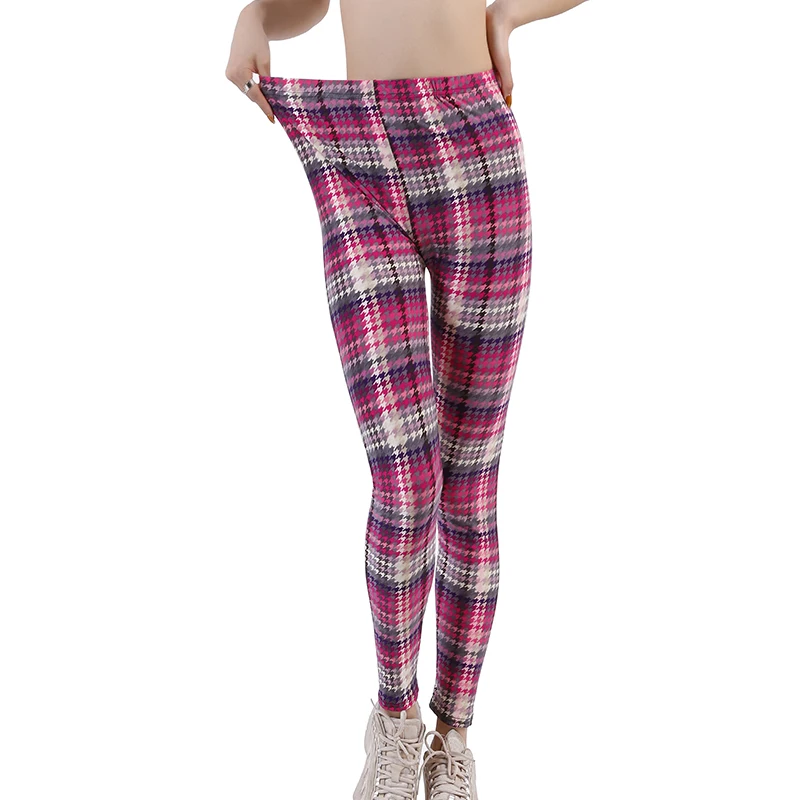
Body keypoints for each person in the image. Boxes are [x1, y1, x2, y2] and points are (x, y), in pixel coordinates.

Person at [225, 0, 588, 797]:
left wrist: (508, 16)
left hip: (477, 146)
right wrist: (258, 14)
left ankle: (453, 740)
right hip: (357, 153)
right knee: (405, 477)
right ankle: (395, 722)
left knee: (468, 485)